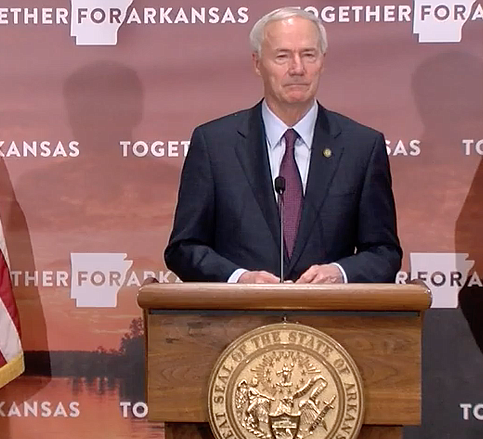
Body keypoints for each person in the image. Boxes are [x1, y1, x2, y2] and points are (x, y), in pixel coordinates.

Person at [164, 7, 402, 284]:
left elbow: (384, 252)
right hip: (236, 320)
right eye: (283, 56)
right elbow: (183, 248)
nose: (297, 68)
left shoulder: (362, 146)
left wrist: (340, 273)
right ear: (257, 63)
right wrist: (239, 279)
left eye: (308, 55)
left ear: (322, 61)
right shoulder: (215, 144)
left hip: (329, 321)